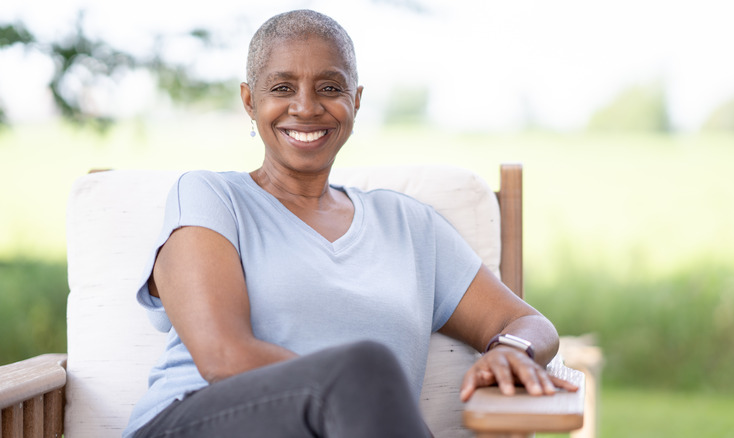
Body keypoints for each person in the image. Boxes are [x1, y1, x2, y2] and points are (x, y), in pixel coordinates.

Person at [123, 9, 577, 438]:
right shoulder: (211, 198)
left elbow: (525, 321)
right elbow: (223, 356)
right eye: (282, 88)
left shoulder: (409, 226)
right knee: (365, 368)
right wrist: (356, 390)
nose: (306, 107)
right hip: (196, 422)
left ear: (355, 102)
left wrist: (511, 350)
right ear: (249, 100)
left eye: (329, 88)